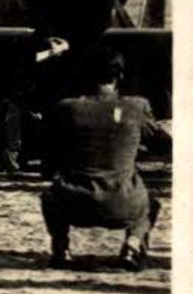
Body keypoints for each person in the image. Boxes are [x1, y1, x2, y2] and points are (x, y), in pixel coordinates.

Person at [40, 47, 171, 271]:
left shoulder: (67, 108)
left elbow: (48, 159)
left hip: (75, 202)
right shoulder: (136, 107)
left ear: (83, 75)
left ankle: (61, 249)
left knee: (49, 198)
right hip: (124, 204)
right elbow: (163, 143)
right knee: (151, 204)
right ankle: (132, 245)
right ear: (120, 76)